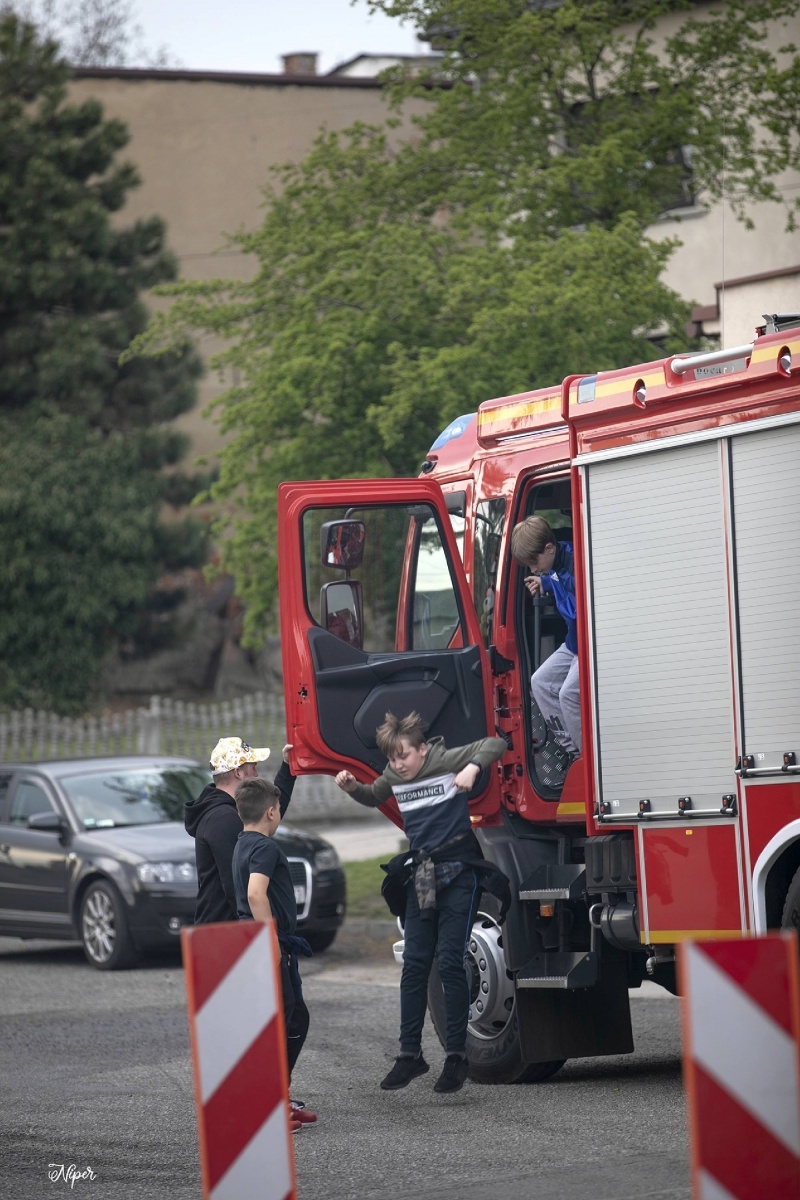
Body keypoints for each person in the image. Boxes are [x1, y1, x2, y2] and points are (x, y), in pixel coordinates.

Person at [335, 711, 508, 1095]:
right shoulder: (394, 776)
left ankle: (457, 1057)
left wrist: (473, 769)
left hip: (460, 871)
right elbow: (373, 795)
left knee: (450, 960)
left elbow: (496, 744)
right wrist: (352, 787)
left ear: (422, 750)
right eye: (392, 758)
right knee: (414, 964)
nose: (398, 764)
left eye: (404, 756)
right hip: (423, 876)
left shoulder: (444, 761)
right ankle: (409, 1054)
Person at [232, 775, 315, 1132]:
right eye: (279, 808)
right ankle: (270, 1105)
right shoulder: (265, 848)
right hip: (266, 943)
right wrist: (272, 942)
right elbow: (255, 894)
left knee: (294, 1019)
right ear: (270, 811)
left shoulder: (241, 843)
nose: (280, 813)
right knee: (281, 1023)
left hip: (255, 941)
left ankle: (280, 1096)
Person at [184, 736, 295, 925]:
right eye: (253, 767)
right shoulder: (223, 819)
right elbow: (239, 887)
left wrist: (288, 767)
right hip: (224, 934)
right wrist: (261, 936)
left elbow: (269, 813)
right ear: (238, 773)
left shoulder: (230, 811)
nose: (257, 773)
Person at [511, 515, 581, 759]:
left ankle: (586, 757)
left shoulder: (576, 562)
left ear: (550, 548)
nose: (532, 568)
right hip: (574, 644)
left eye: (534, 562)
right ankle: (571, 750)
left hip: (588, 646)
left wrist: (550, 579)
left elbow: (575, 587)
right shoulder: (554, 567)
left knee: (568, 695)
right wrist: (543, 582)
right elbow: (555, 579)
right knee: (539, 682)